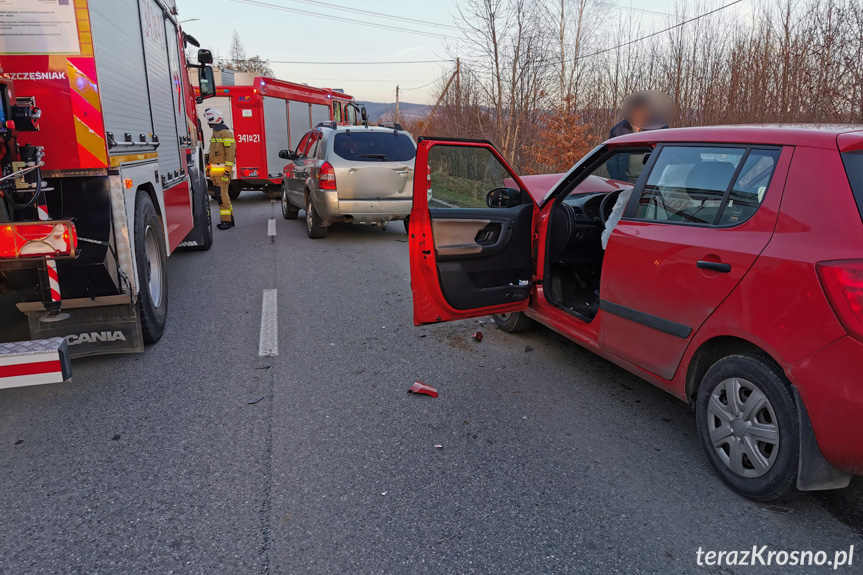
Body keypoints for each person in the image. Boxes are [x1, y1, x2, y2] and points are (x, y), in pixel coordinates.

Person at [204, 108, 236, 230]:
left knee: (222, 197)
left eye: (209, 120)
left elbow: (230, 154)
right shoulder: (216, 133)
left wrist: (227, 171)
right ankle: (230, 219)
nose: (208, 123)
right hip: (216, 173)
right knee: (222, 196)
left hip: (222, 173)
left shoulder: (225, 133)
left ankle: (226, 221)